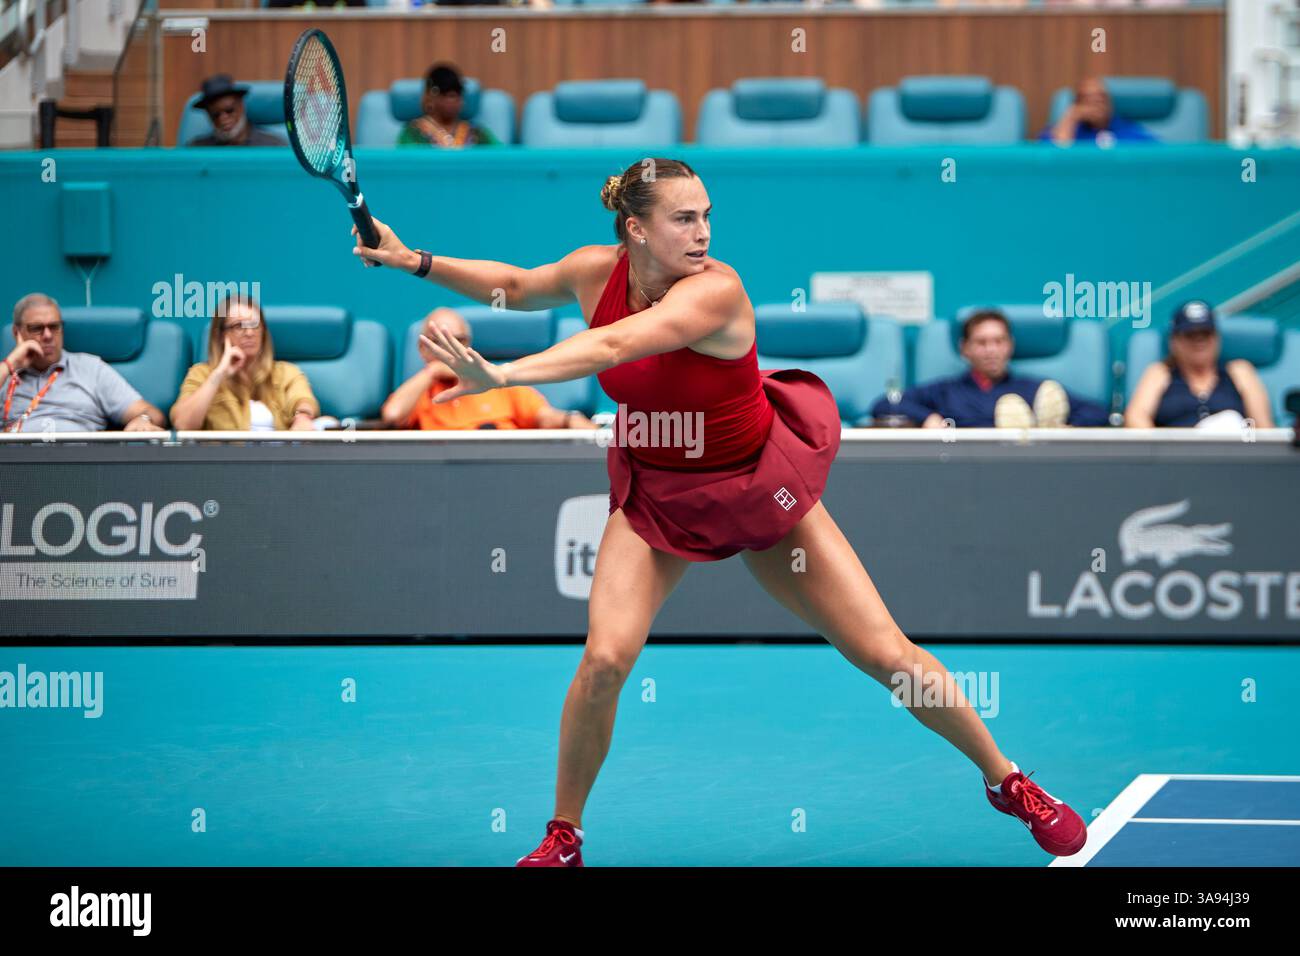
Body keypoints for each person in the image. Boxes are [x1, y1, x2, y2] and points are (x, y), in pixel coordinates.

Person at [351, 157, 1087, 866]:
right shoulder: (593, 271)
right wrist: (411, 259)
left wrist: (502, 374)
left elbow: (617, 342)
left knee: (888, 657)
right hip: (656, 497)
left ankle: (1006, 779)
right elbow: (514, 284)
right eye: (682, 219)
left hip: (756, 487)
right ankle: (564, 835)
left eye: (706, 216)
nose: (702, 233)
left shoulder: (716, 291)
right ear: (635, 230)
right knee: (606, 659)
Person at [870, 309, 1110, 428]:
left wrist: (1061, 428)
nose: (991, 350)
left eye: (998, 341)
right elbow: (884, 404)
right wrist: (929, 417)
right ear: (965, 349)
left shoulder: (1036, 391)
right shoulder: (945, 391)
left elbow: (1098, 413)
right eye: (982, 342)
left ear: (1010, 346)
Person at [382, 308, 597, 430]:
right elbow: (392, 415)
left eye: (459, 340)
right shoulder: (421, 392)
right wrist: (432, 372)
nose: (452, 347)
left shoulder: (496, 381)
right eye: (439, 341)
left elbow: (545, 417)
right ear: (423, 348)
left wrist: (572, 420)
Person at [3, 293, 165, 434]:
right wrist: (11, 364)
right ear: (17, 333)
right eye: (37, 328)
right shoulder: (5, 374)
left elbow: (151, 413)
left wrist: (143, 419)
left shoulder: (91, 368)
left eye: (54, 327)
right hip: (15, 464)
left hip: (78, 461)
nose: (47, 335)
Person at [170, 296, 319, 431]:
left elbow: (302, 398)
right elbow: (183, 424)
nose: (249, 332)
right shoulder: (202, 374)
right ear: (221, 335)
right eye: (238, 326)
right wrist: (219, 373)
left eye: (255, 324)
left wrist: (302, 417)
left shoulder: (286, 372)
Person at [1125, 300, 1274, 429]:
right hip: (1179, 456)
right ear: (1174, 341)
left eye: (1205, 333)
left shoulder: (1239, 371)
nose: (1199, 341)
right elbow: (1135, 419)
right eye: (1190, 335)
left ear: (1217, 338)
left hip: (1234, 453)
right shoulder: (1160, 373)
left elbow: (1264, 428)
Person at [396, 64, 500, 148]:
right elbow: (406, 166)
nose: (453, 100)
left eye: (457, 95)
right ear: (429, 97)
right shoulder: (413, 134)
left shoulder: (477, 134)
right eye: (446, 95)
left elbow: (500, 159)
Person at [1041, 77, 1157, 146]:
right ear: (1077, 104)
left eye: (1102, 98)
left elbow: (1158, 154)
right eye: (1088, 99)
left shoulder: (1126, 129)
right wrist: (1071, 117)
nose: (1097, 104)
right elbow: (1053, 161)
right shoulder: (1067, 130)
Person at [186, 74, 287, 147]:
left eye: (229, 111)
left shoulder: (273, 146)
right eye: (215, 115)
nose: (223, 119)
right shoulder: (197, 149)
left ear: (242, 106)